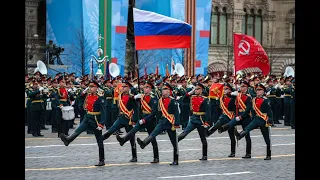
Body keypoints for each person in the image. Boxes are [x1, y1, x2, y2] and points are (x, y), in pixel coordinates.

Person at [60, 80, 106, 166]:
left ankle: (101, 159)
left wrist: (101, 123)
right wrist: (83, 92)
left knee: (99, 140)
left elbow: (104, 111)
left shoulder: (100, 98)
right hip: (87, 117)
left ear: (96, 88)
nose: (90, 88)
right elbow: (78, 98)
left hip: (95, 119)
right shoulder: (88, 95)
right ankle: (68, 140)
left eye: (92, 87)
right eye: (89, 86)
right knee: (78, 129)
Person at [136, 82, 180, 165]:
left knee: (174, 142)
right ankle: (144, 143)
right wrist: (158, 121)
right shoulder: (160, 100)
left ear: (169, 91)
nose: (163, 91)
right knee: (153, 133)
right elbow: (158, 112)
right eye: (163, 89)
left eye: (165, 89)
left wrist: (176, 124)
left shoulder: (173, 101)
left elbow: (176, 113)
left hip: (170, 122)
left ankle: (176, 159)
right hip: (162, 121)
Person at [116, 81, 160, 163]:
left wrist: (144, 120)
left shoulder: (153, 98)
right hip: (142, 119)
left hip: (150, 120)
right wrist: (134, 98)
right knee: (133, 131)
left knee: (152, 138)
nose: (145, 89)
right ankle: (123, 140)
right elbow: (136, 108)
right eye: (144, 87)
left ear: (150, 89)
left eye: (147, 88)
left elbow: (154, 112)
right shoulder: (141, 97)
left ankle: (156, 157)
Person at [100, 80, 138, 162]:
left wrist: (134, 120)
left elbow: (136, 110)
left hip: (129, 119)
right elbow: (119, 107)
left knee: (131, 138)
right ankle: (100, 139)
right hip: (121, 118)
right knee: (111, 130)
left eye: (125, 87)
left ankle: (134, 156)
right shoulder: (120, 96)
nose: (123, 88)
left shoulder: (132, 97)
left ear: (128, 88)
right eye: (122, 86)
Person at [235, 83, 273, 160]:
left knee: (266, 138)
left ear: (263, 91)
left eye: (260, 90)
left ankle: (268, 154)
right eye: (257, 90)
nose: (258, 91)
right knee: (247, 128)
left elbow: (270, 111)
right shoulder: (253, 99)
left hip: (263, 120)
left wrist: (270, 120)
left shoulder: (266, 100)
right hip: (256, 119)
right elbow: (251, 109)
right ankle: (239, 136)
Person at [177, 82, 211, 160]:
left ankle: (204, 155)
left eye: (198, 89)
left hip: (201, 120)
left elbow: (208, 112)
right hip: (193, 119)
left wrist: (207, 123)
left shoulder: (205, 99)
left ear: (202, 90)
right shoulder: (192, 97)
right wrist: (190, 92)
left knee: (203, 138)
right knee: (184, 133)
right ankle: (175, 143)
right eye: (195, 89)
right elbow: (183, 99)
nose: (196, 90)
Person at [219, 80, 252, 158]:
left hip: (245, 116)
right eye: (241, 86)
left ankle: (248, 153)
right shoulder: (237, 95)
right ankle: (224, 129)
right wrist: (233, 91)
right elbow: (228, 94)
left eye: (244, 86)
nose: (242, 88)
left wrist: (241, 116)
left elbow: (248, 109)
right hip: (237, 115)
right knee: (230, 124)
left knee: (247, 135)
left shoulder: (248, 97)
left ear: (247, 88)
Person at [206, 83, 237, 157]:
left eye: (226, 89)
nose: (225, 90)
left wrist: (232, 94)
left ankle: (233, 152)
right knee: (218, 122)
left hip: (231, 116)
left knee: (231, 135)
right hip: (224, 116)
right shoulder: (221, 98)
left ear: (230, 89)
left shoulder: (234, 97)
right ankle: (208, 132)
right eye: (224, 89)